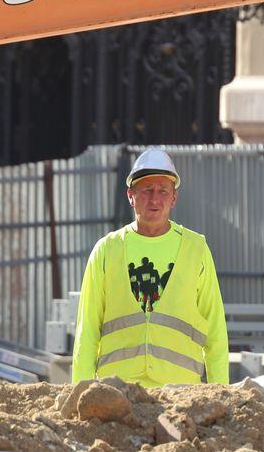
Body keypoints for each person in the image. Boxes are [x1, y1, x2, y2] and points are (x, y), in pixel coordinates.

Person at [71, 148, 228, 387]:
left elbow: (215, 330)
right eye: (146, 191)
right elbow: (88, 329)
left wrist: (221, 393)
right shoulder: (106, 250)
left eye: (162, 191)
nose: (154, 199)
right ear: (130, 195)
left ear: (174, 198)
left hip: (181, 394)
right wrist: (80, 394)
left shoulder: (196, 249)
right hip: (119, 394)